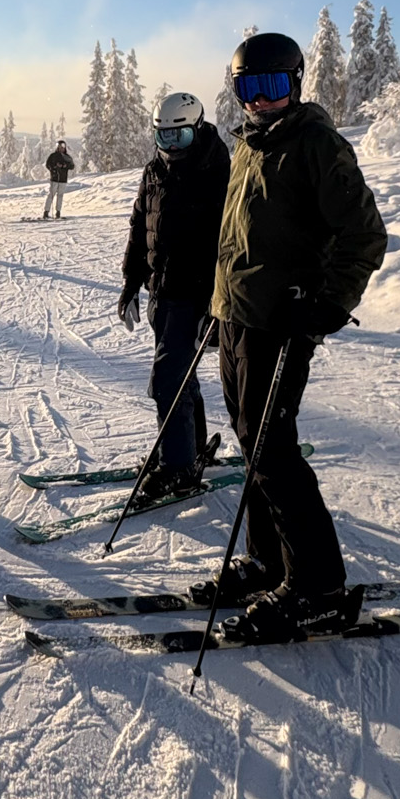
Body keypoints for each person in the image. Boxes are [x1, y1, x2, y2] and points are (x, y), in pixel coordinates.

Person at [211, 31, 386, 643]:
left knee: (272, 449)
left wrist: (328, 306)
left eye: (272, 87)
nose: (260, 101)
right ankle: (268, 561)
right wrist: (220, 307)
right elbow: (238, 241)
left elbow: (365, 235)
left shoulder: (315, 144)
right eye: (248, 88)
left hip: (282, 323)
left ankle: (317, 585)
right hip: (239, 319)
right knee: (248, 442)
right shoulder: (249, 146)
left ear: (296, 83)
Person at [117, 93, 231, 505]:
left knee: (168, 381)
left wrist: (216, 307)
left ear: (197, 129)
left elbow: (229, 245)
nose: (169, 148)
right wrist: (132, 282)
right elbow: (139, 228)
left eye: (179, 137)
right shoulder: (154, 171)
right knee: (182, 378)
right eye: (162, 137)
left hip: (194, 296)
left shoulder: (216, 172)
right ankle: (190, 446)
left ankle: (178, 469)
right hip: (161, 295)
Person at [41, 137, 75, 218]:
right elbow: (48, 165)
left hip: (63, 179)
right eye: (59, 147)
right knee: (51, 195)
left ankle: (58, 212)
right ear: (57, 147)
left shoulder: (67, 157)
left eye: (62, 147)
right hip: (54, 178)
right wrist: (54, 168)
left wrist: (65, 166)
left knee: (60, 195)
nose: (61, 149)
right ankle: (46, 212)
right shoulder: (53, 156)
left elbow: (72, 166)